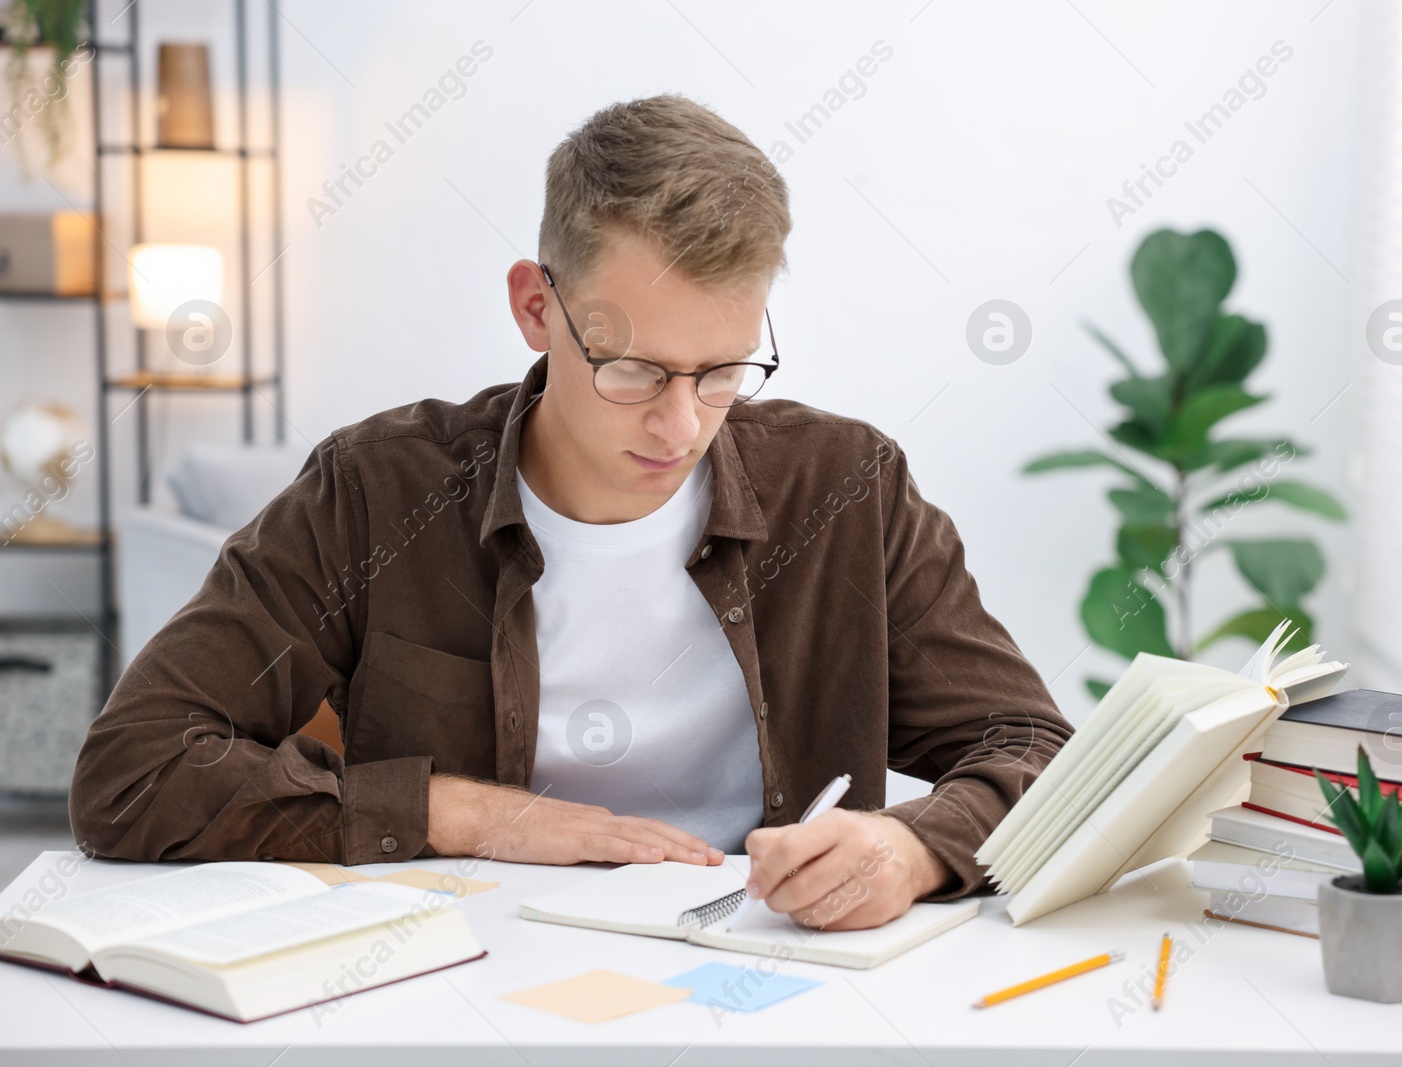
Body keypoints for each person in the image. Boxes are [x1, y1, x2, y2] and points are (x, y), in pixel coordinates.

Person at [70, 94, 1074, 931]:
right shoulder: (375, 493)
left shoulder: (847, 488)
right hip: (462, 974)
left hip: (770, 972)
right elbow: (133, 768)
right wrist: (457, 811)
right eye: (632, 368)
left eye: (724, 371)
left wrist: (912, 846)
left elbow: (1034, 745)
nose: (681, 424)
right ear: (535, 307)